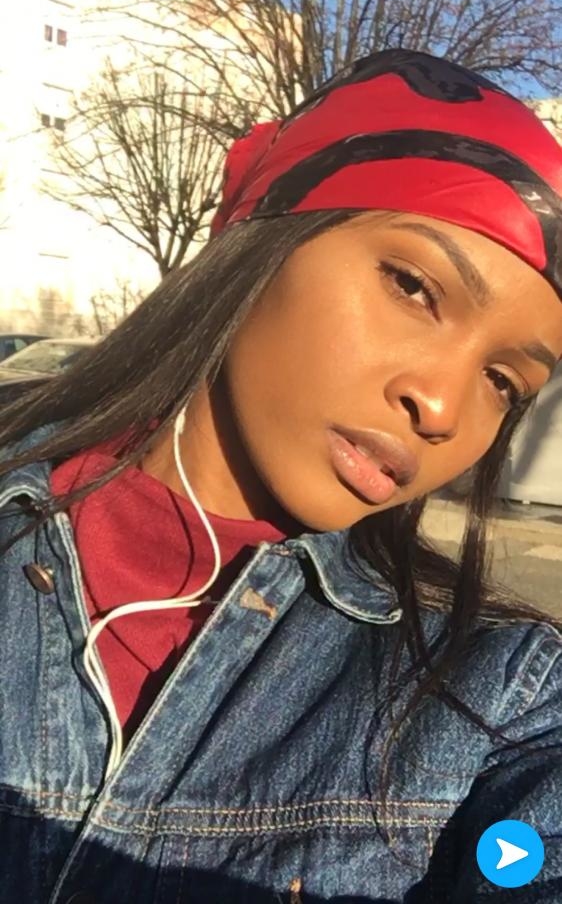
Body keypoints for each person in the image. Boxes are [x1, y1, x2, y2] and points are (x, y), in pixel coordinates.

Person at [0, 48, 561, 904]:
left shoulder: (502, 691)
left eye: (502, 382)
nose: (444, 407)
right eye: (414, 286)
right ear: (262, 234)